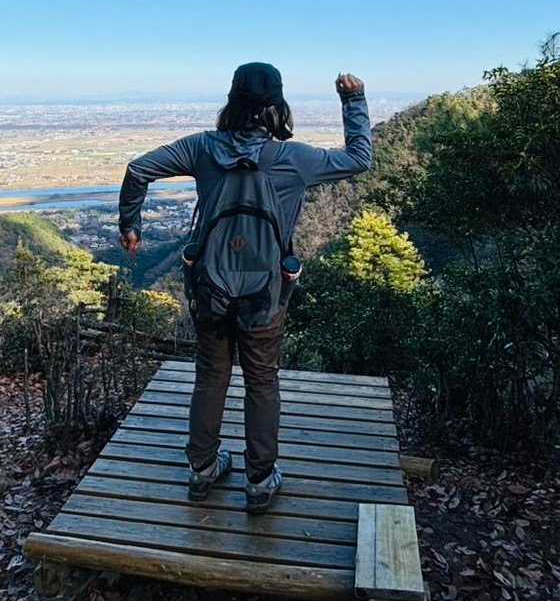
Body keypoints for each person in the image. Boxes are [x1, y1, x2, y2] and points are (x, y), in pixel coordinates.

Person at [118, 64, 372, 513]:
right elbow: (359, 159)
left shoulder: (202, 148)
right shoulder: (294, 158)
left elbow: (138, 169)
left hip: (210, 287)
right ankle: (259, 480)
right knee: (262, 381)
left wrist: (130, 226)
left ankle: (202, 469)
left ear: (232, 102)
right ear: (277, 107)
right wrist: (353, 100)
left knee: (211, 375)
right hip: (265, 293)